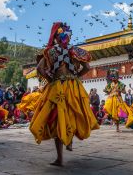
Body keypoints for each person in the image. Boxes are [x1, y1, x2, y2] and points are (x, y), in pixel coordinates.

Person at [29, 22, 99, 166]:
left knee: (58, 119)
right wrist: (76, 75)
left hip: (58, 87)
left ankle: (60, 158)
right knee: (72, 114)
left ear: (56, 36)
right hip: (74, 87)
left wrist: (50, 79)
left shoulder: (51, 51)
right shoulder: (76, 51)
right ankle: (70, 140)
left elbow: (39, 69)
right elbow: (87, 67)